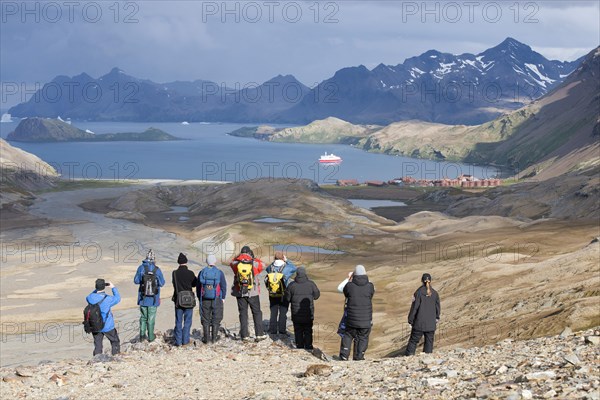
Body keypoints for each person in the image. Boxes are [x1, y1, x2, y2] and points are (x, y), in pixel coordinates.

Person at [229, 245, 266, 342]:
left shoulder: (236, 263)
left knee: (243, 313)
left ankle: (244, 335)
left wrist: (238, 257)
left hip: (240, 292)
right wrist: (253, 258)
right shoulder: (254, 263)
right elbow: (263, 265)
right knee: (257, 312)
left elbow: (231, 263)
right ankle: (259, 334)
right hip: (253, 292)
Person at [338, 265, 375, 361]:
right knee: (362, 337)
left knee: (348, 335)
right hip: (366, 320)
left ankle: (344, 356)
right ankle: (359, 357)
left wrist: (350, 278)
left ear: (354, 274)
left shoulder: (349, 286)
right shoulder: (370, 286)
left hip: (351, 319)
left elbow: (344, 291)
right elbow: (371, 292)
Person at [133, 249, 165, 342]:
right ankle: (151, 337)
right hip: (154, 298)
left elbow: (136, 281)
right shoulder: (157, 269)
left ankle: (142, 336)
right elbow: (162, 283)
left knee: (143, 317)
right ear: (154, 259)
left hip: (143, 297)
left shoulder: (141, 268)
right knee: (151, 317)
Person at [405, 273, 441, 355]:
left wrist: (410, 320)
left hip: (419, 323)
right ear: (430, 281)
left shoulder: (418, 292)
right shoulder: (435, 293)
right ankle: (427, 358)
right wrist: (436, 318)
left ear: (422, 280)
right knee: (429, 342)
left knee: (413, 341)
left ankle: (408, 358)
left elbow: (414, 308)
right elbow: (437, 308)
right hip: (431, 323)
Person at [284, 266, 320, 350]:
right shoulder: (311, 284)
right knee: (308, 330)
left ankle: (299, 346)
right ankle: (309, 346)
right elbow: (316, 296)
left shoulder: (291, 285)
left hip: (296, 313)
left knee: (298, 330)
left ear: (297, 274)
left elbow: (287, 298)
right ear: (305, 274)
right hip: (308, 312)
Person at [86, 278, 121, 356]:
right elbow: (118, 298)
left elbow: (89, 297)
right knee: (115, 341)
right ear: (104, 286)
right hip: (107, 325)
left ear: (96, 286)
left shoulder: (90, 298)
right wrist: (113, 288)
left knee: (98, 345)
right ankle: (115, 356)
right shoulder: (108, 299)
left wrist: (96, 290)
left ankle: (97, 360)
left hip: (95, 325)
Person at [265, 251, 297, 336]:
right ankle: (282, 330)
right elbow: (294, 268)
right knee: (283, 312)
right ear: (283, 258)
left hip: (272, 293)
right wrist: (287, 260)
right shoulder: (287, 267)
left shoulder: (270, 267)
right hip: (284, 293)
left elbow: (267, 269)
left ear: (274, 258)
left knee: (273, 312)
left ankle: (273, 330)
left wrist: (274, 261)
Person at [197, 254, 227, 344]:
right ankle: (214, 338)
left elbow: (198, 287)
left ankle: (206, 339)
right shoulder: (219, 272)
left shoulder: (202, 272)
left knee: (205, 318)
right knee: (216, 318)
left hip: (205, 298)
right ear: (215, 262)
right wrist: (223, 297)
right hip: (217, 298)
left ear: (207, 262)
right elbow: (223, 286)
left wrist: (200, 297)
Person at [172, 252, 198, 346]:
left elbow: (174, 284)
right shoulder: (190, 273)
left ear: (178, 262)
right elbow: (195, 284)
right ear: (186, 262)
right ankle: (185, 340)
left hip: (178, 300)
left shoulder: (174, 273)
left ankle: (178, 342)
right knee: (187, 321)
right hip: (189, 301)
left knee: (178, 321)